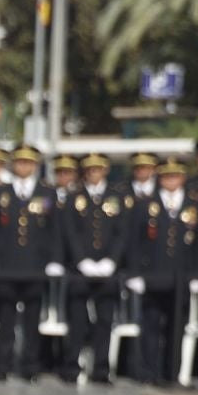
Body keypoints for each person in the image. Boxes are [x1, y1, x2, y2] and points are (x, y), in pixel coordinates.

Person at [0, 145, 65, 381]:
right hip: (6, 265)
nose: (24, 167)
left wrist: (55, 260)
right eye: (19, 162)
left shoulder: (46, 193)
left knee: (32, 319)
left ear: (35, 166)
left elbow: (54, 230)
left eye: (28, 163)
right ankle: (2, 364)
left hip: (35, 266)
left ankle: (30, 366)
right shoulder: (1, 193)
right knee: (5, 317)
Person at [123, 159, 198, 385]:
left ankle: (172, 372)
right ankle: (149, 371)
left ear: (183, 178)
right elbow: (134, 241)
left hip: (181, 277)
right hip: (153, 274)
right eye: (167, 176)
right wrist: (134, 273)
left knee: (177, 326)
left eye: (175, 176)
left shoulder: (192, 205)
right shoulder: (146, 204)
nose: (171, 180)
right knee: (150, 324)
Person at [59, 152, 126, 383]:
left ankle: (101, 368)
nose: (94, 173)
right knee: (77, 320)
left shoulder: (117, 198)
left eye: (98, 169)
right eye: (89, 170)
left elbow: (121, 233)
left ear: (105, 170)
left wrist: (111, 261)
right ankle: (71, 366)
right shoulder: (74, 197)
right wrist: (81, 261)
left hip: (107, 270)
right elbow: (70, 232)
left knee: (105, 320)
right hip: (81, 270)